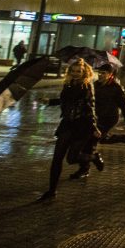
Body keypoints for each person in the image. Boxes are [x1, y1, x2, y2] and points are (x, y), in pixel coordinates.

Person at [40, 59, 100, 200]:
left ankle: (93, 157)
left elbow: (90, 107)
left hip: (82, 126)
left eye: (78, 71)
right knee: (57, 159)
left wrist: (94, 127)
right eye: (72, 71)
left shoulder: (87, 87)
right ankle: (51, 191)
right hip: (67, 124)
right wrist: (49, 101)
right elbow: (65, 101)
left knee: (72, 158)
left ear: (84, 72)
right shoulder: (68, 85)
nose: (75, 74)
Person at [77, 62, 125, 174]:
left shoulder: (116, 88)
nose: (100, 75)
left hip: (109, 118)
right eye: (99, 73)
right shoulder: (96, 85)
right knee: (102, 138)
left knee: (90, 140)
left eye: (103, 73)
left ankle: (86, 167)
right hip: (97, 117)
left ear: (110, 74)